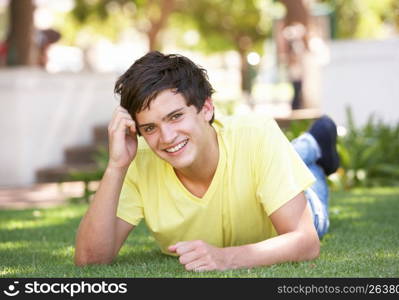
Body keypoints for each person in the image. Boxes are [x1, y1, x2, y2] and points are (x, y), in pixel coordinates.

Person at [74, 51, 339, 271]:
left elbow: (306, 242)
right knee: (288, 159)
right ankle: (306, 146)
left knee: (312, 196)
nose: (166, 137)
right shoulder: (138, 161)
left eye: (176, 116)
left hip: (287, 217)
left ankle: (311, 145)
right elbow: (90, 260)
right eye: (150, 128)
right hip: (266, 163)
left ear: (207, 109)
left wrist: (225, 257)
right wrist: (116, 166)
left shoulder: (257, 134)